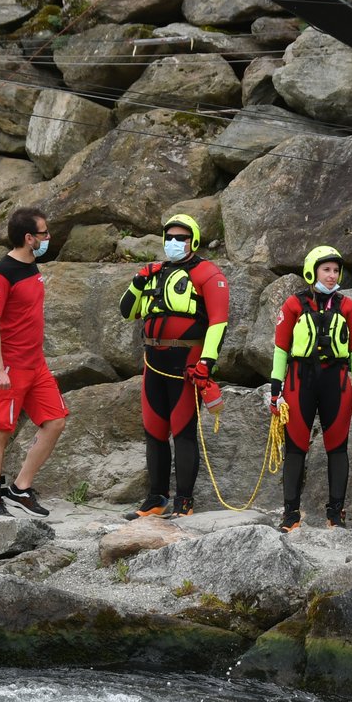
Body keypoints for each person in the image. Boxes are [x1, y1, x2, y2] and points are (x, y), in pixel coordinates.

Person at [118, 213, 230, 519]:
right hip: (153, 363)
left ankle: (184, 501)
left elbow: (219, 322)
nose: (174, 243)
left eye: (181, 238)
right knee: (154, 430)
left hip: (186, 362)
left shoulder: (208, 273)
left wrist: (207, 361)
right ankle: (156, 497)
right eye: (169, 237)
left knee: (182, 431)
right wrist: (139, 280)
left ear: (193, 241)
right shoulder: (155, 273)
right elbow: (127, 311)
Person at [268, 245, 352, 531]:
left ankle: (335, 515)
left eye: (336, 270)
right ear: (313, 271)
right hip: (300, 381)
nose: (332, 275)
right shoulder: (292, 305)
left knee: (338, 449)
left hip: (336, 382)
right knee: (296, 448)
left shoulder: (347, 306)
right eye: (326, 269)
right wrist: (275, 392)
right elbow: (280, 350)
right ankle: (290, 516)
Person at [0, 207, 68, 519]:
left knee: (56, 421)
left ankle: (20, 487)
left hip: (36, 364)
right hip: (12, 367)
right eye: (43, 233)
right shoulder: (2, 274)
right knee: (0, 431)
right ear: (29, 238)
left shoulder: (32, 266)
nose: (48, 237)